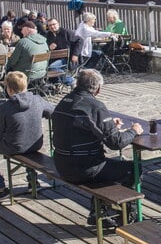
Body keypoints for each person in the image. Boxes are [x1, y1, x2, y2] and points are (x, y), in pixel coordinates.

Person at [51, 69, 143, 225]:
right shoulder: (95, 106)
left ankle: (99, 212)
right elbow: (115, 143)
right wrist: (133, 131)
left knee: (110, 165)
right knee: (133, 168)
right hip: (84, 169)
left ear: (78, 84)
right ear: (98, 89)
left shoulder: (65, 101)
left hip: (62, 164)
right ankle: (128, 217)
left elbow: (81, 128)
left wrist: (108, 126)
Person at [0, 71, 55, 201]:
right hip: (35, 143)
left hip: (13, 146)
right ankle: (32, 181)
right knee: (26, 144)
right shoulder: (37, 100)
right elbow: (53, 112)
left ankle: (0, 188)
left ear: (9, 89)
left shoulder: (4, 107)